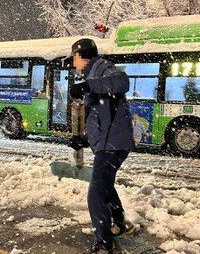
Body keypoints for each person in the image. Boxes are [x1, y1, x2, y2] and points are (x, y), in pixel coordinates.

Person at [69, 38, 135, 254]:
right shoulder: (93, 75)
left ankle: (103, 243)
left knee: (96, 193)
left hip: (113, 144)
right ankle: (118, 221)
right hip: (110, 142)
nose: (73, 65)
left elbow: (122, 81)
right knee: (104, 184)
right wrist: (85, 140)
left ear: (80, 56)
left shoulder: (101, 68)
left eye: (74, 60)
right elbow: (102, 118)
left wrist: (87, 86)